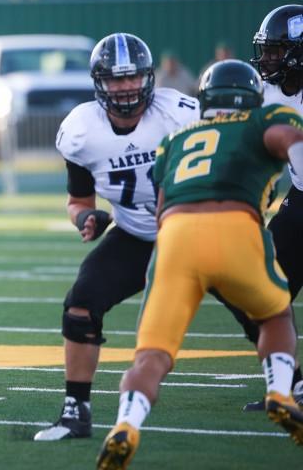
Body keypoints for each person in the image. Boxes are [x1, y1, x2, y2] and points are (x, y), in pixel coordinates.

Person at [35, 33, 260, 442]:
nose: (124, 88)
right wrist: (86, 216)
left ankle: (291, 387)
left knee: (258, 308)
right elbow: (77, 198)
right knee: (80, 308)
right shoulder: (81, 131)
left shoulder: (183, 114)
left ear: (149, 78)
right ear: (98, 83)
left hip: (198, 231)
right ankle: (76, 412)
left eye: (132, 78)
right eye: (115, 80)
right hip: (137, 236)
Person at [96, 60, 303, 469]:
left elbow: (160, 207)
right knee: (275, 315)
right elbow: (285, 137)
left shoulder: (177, 138)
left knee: (151, 356)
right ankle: (280, 392)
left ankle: (126, 424)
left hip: (174, 239)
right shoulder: (266, 116)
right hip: (233, 227)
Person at [243, 3, 303, 410]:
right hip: (299, 199)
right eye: (265, 50)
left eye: (276, 51)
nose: (266, 60)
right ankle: (287, 386)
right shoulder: (265, 93)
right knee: (262, 294)